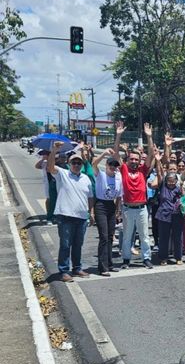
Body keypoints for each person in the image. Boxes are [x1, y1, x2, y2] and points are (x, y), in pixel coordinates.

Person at [47, 141, 94, 282]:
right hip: (65, 216)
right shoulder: (63, 174)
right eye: (74, 163)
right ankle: (64, 270)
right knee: (65, 245)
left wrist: (91, 212)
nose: (77, 165)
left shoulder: (85, 178)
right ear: (69, 163)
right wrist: (54, 151)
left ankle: (77, 268)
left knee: (78, 245)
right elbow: (50, 167)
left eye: (79, 163)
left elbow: (90, 197)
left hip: (81, 217)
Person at [112, 121, 155, 269]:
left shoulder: (143, 170)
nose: (134, 161)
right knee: (127, 236)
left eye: (137, 159)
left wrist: (149, 137)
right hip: (128, 209)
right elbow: (116, 153)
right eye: (132, 159)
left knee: (144, 236)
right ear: (128, 160)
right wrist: (118, 135)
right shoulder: (123, 169)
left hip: (142, 209)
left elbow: (151, 154)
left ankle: (146, 258)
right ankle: (126, 260)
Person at [91, 148, 123, 276]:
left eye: (115, 166)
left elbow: (119, 196)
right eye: (110, 165)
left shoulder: (118, 178)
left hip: (111, 205)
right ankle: (102, 267)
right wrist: (104, 154)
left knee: (110, 236)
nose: (113, 168)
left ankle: (109, 264)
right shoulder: (101, 175)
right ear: (106, 165)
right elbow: (93, 164)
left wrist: (118, 210)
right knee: (103, 236)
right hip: (100, 205)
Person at [152, 152, 184, 265]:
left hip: (177, 215)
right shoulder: (163, 185)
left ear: (176, 180)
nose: (171, 182)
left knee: (178, 237)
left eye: (173, 180)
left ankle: (178, 257)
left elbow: (183, 197)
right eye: (169, 180)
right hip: (163, 215)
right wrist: (158, 161)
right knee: (163, 237)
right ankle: (163, 258)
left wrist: (181, 186)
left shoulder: (178, 187)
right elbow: (160, 173)